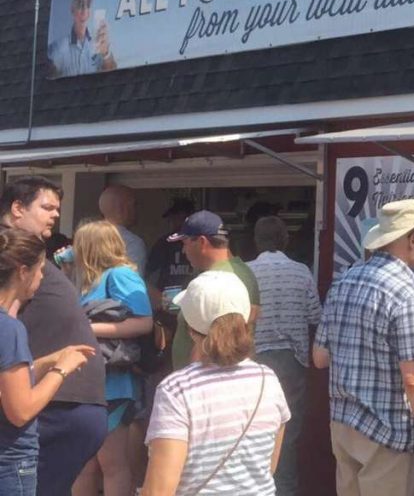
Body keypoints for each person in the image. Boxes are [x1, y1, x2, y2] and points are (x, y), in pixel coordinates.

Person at [313, 198, 414, 495]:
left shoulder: (344, 281)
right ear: (412, 239)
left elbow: (320, 357)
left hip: (343, 426)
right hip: (388, 432)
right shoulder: (406, 293)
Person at [1, 177, 107, 496]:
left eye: (57, 209)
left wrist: (48, 362)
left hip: (60, 410)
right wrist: (60, 369)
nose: (54, 216)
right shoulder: (9, 318)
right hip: (40, 420)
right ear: (17, 209)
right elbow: (19, 407)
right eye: (46, 207)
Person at [141, 271, 290, 496]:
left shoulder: (176, 390)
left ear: (190, 329)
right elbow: (267, 467)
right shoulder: (267, 379)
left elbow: (159, 490)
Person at [71, 220, 154, 496]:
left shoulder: (121, 275)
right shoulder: (90, 278)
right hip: (89, 384)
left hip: (113, 384)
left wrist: (89, 329)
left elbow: (144, 322)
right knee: (84, 463)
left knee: (112, 463)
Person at [248, 215, 322, 496]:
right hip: (292, 361)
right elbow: (316, 315)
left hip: (254, 360)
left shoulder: (247, 272)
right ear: (285, 240)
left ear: (256, 241)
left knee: (253, 430)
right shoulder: (301, 271)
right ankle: (285, 491)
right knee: (287, 434)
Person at [167, 211, 260, 370]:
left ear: (202, 242)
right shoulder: (217, 274)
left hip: (207, 382)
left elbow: (227, 337)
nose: (183, 251)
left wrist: (195, 380)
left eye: (185, 243)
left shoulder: (228, 278)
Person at [47, 0, 116, 78]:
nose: (84, 10)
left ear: (90, 10)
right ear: (72, 8)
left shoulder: (98, 45)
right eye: (80, 4)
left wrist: (106, 53)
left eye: (88, 4)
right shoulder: (58, 48)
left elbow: (114, 75)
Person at [98, 185, 147, 274]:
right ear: (123, 209)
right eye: (134, 205)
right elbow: (131, 283)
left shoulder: (84, 240)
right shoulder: (131, 243)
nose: (137, 209)